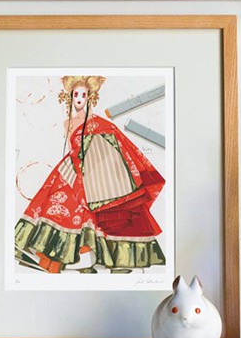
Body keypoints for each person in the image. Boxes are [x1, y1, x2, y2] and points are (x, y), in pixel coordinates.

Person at [14, 75, 166, 274]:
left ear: (89, 97)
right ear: (69, 97)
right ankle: (59, 257)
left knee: (95, 211)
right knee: (57, 203)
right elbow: (71, 148)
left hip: (96, 171)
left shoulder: (99, 123)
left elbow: (111, 148)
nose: (79, 99)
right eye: (76, 94)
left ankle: (97, 257)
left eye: (83, 95)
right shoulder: (67, 122)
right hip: (71, 168)